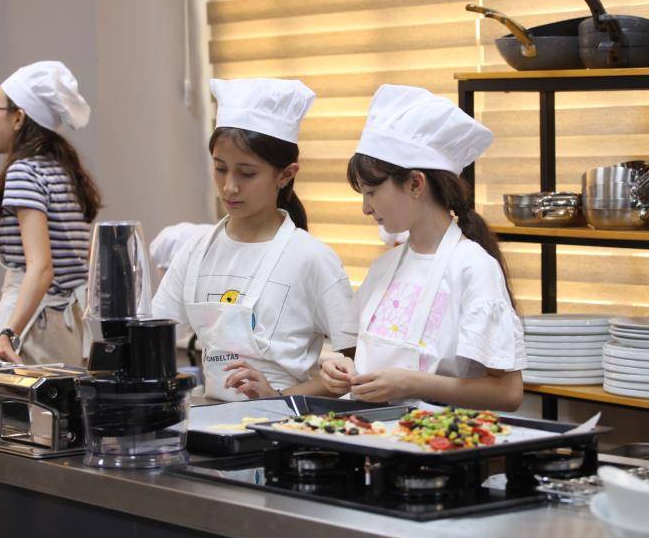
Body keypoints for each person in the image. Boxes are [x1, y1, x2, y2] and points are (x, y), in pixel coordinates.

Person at [320, 84, 525, 411]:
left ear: (415, 183)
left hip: (439, 447)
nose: (365, 208)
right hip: (372, 438)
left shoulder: (473, 268)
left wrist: (413, 383)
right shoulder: (384, 269)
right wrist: (338, 369)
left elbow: (508, 392)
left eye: (371, 192)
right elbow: (359, 355)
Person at [151, 78, 357, 401]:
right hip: (213, 425)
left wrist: (279, 397)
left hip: (284, 434)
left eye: (247, 174)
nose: (230, 187)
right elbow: (155, 338)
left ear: (286, 174)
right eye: (220, 169)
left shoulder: (310, 258)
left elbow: (355, 363)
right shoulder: (197, 252)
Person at [0, 61, 101, 366]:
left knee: (24, 412)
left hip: (35, 321)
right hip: (67, 321)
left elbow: (40, 268)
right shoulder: (63, 171)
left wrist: (9, 333)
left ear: (18, 117)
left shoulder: (24, 172)